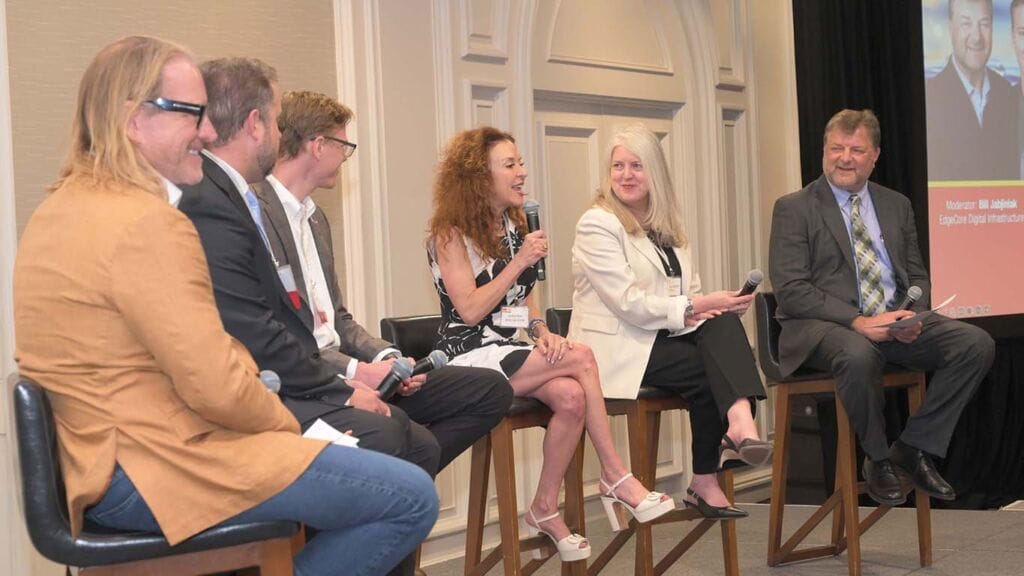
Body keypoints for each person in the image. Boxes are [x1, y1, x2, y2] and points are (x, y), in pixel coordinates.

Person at [12, 36, 437, 576]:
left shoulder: (58, 209)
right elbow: (214, 383)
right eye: (192, 114)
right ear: (135, 120)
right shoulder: (146, 223)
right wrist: (288, 425)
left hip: (97, 467)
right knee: (410, 497)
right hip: (152, 468)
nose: (209, 132)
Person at [426, 126, 675, 562]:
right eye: (510, 165)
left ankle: (543, 507)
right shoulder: (449, 234)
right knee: (583, 356)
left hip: (511, 349)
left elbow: (524, 302)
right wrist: (521, 260)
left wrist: (543, 332)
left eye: (520, 163)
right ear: (479, 175)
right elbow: (470, 309)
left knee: (571, 396)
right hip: (468, 357)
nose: (522, 173)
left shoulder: (514, 225)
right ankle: (616, 475)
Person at [769, 108, 995, 506]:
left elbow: (917, 276)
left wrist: (913, 314)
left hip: (892, 321)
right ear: (824, 150)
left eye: (856, 150)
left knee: (975, 344)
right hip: (826, 326)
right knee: (858, 355)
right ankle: (877, 458)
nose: (845, 158)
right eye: (836, 148)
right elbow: (791, 290)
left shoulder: (896, 205)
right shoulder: (795, 207)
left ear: (875, 156)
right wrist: (858, 321)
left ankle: (912, 446)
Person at [569, 124, 770, 520]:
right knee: (712, 369)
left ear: (655, 172)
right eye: (618, 166)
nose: (626, 175)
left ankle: (737, 427)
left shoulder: (668, 227)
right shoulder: (597, 223)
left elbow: (688, 293)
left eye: (637, 166)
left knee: (724, 326)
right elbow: (629, 304)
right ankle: (716, 462)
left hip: (662, 338)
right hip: (618, 348)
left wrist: (714, 307)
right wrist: (698, 304)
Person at [925, 0, 1018, 180]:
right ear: (950, 28)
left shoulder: (1008, 94)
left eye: (984, 24)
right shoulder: (932, 97)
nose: (977, 37)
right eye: (966, 24)